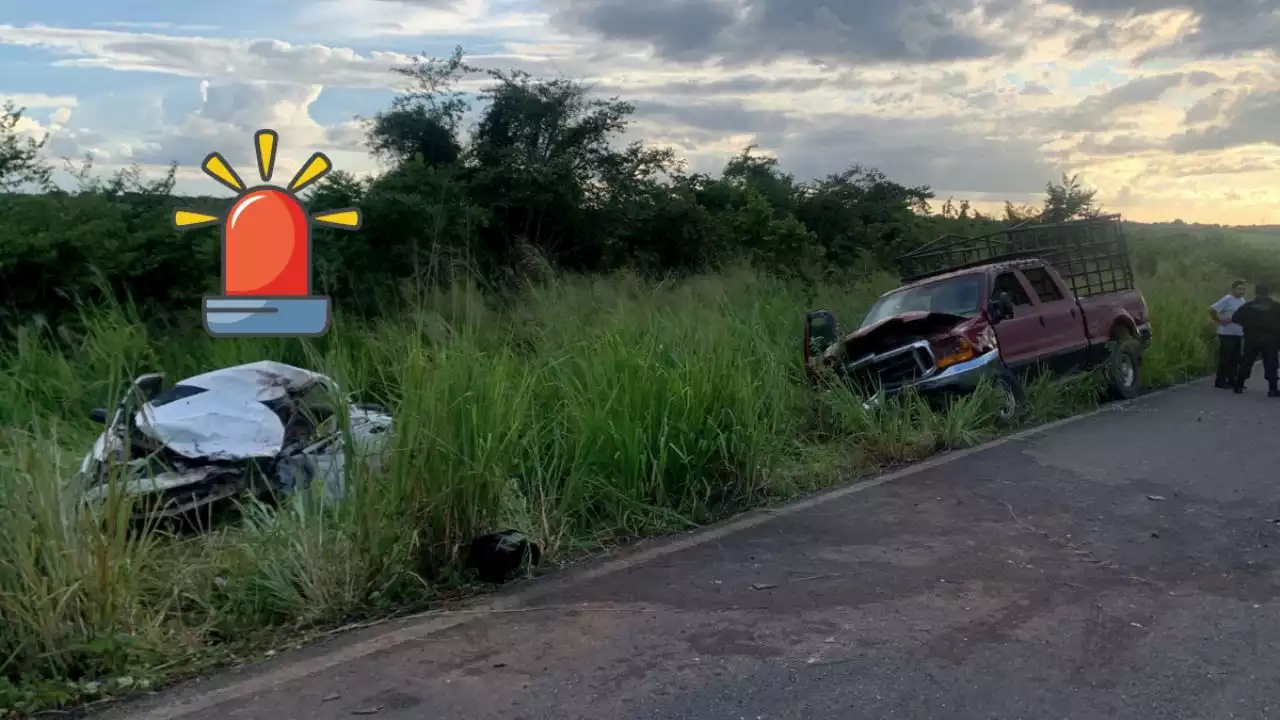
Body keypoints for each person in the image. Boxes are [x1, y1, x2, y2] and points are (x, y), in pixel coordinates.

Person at [1231, 283, 1280, 396]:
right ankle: (1273, 389)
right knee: (1271, 363)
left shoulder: (1247, 306)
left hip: (1251, 338)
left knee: (1246, 361)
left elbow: (1235, 318)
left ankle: (1239, 385)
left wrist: (1247, 325)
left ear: (1256, 292)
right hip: (1271, 339)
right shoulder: (1276, 306)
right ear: (1268, 292)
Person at [1209, 280, 1248, 389]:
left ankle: (1232, 380)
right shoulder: (1227, 299)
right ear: (1233, 289)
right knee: (1225, 358)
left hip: (1238, 333)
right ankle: (1220, 380)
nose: (1241, 291)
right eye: (1239, 289)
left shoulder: (1242, 300)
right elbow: (1212, 309)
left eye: (1243, 289)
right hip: (1227, 333)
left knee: (1235, 358)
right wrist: (1218, 320)